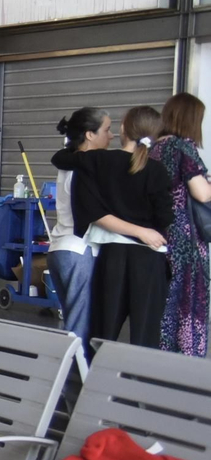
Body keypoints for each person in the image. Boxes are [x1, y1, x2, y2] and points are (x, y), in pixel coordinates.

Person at [52, 106, 173, 350]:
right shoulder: (157, 169)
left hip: (111, 254)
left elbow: (60, 157)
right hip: (147, 256)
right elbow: (165, 216)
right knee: (145, 333)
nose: (110, 133)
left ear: (123, 130)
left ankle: (96, 379)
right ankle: (139, 383)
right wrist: (145, 230)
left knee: (102, 332)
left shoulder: (99, 160)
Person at [149, 93, 211, 357]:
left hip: (160, 234)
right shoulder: (183, 147)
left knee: (166, 302)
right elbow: (202, 194)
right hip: (186, 238)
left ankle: (163, 359)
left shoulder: (155, 148)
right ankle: (188, 363)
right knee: (190, 301)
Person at [49, 109, 112, 348]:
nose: (112, 135)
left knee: (75, 320)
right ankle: (72, 378)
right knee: (79, 325)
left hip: (62, 248)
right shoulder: (84, 167)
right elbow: (96, 213)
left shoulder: (71, 160)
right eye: (106, 130)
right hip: (79, 249)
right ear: (90, 134)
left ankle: (72, 375)